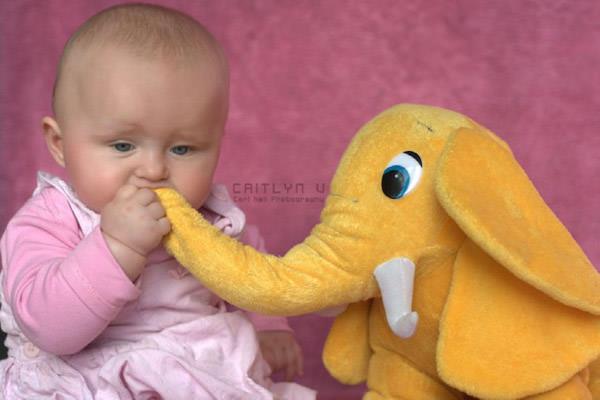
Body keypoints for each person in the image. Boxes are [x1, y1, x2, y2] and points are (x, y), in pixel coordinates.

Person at [0, 3, 316, 399]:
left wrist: (270, 326)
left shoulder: (212, 219)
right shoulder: (49, 221)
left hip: (199, 372)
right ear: (60, 145)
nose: (153, 169)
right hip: (90, 379)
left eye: (182, 149)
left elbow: (254, 274)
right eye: (122, 145)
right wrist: (118, 247)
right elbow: (50, 328)